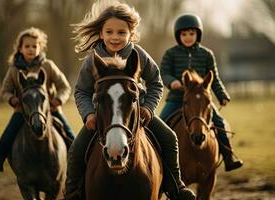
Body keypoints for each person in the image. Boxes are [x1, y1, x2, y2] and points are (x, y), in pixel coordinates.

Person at [66, 1, 195, 200]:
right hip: (102, 114)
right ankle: (72, 192)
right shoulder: (92, 60)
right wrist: (88, 114)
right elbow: (82, 91)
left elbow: (156, 83)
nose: (115, 37)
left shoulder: (139, 55)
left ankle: (176, 187)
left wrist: (148, 108)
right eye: (109, 32)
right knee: (76, 149)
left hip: (136, 111)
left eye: (121, 32)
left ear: (130, 33)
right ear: (101, 33)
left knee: (169, 138)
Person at [159, 13, 243, 172]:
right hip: (177, 98)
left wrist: (222, 95)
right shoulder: (171, 54)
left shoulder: (206, 54)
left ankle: (229, 156)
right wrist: (172, 82)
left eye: (192, 33)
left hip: (202, 100)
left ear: (198, 34)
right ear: (178, 36)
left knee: (219, 123)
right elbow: (164, 73)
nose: (188, 37)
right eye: (184, 34)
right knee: (160, 123)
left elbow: (214, 78)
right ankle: (158, 160)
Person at [0, 27, 75, 172]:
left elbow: (65, 87)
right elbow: (5, 90)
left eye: (35, 46)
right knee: (10, 131)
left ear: (40, 48)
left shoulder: (48, 65)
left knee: (69, 133)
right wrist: (13, 99)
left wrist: (57, 101)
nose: (31, 49)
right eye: (27, 46)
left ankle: (79, 158)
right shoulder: (14, 70)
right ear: (20, 49)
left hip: (50, 110)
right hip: (23, 111)